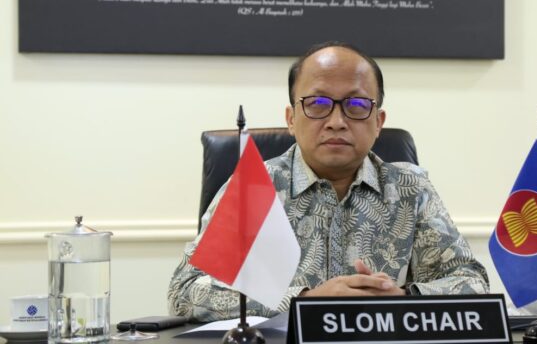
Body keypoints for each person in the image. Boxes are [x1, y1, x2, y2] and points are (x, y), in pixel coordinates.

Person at [168, 41, 489, 322]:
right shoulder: (254, 188)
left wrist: (402, 299)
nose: (337, 122)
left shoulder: (411, 188)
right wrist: (305, 301)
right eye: (318, 104)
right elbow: (185, 292)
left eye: (357, 105)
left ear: (378, 122)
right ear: (291, 118)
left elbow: (471, 283)